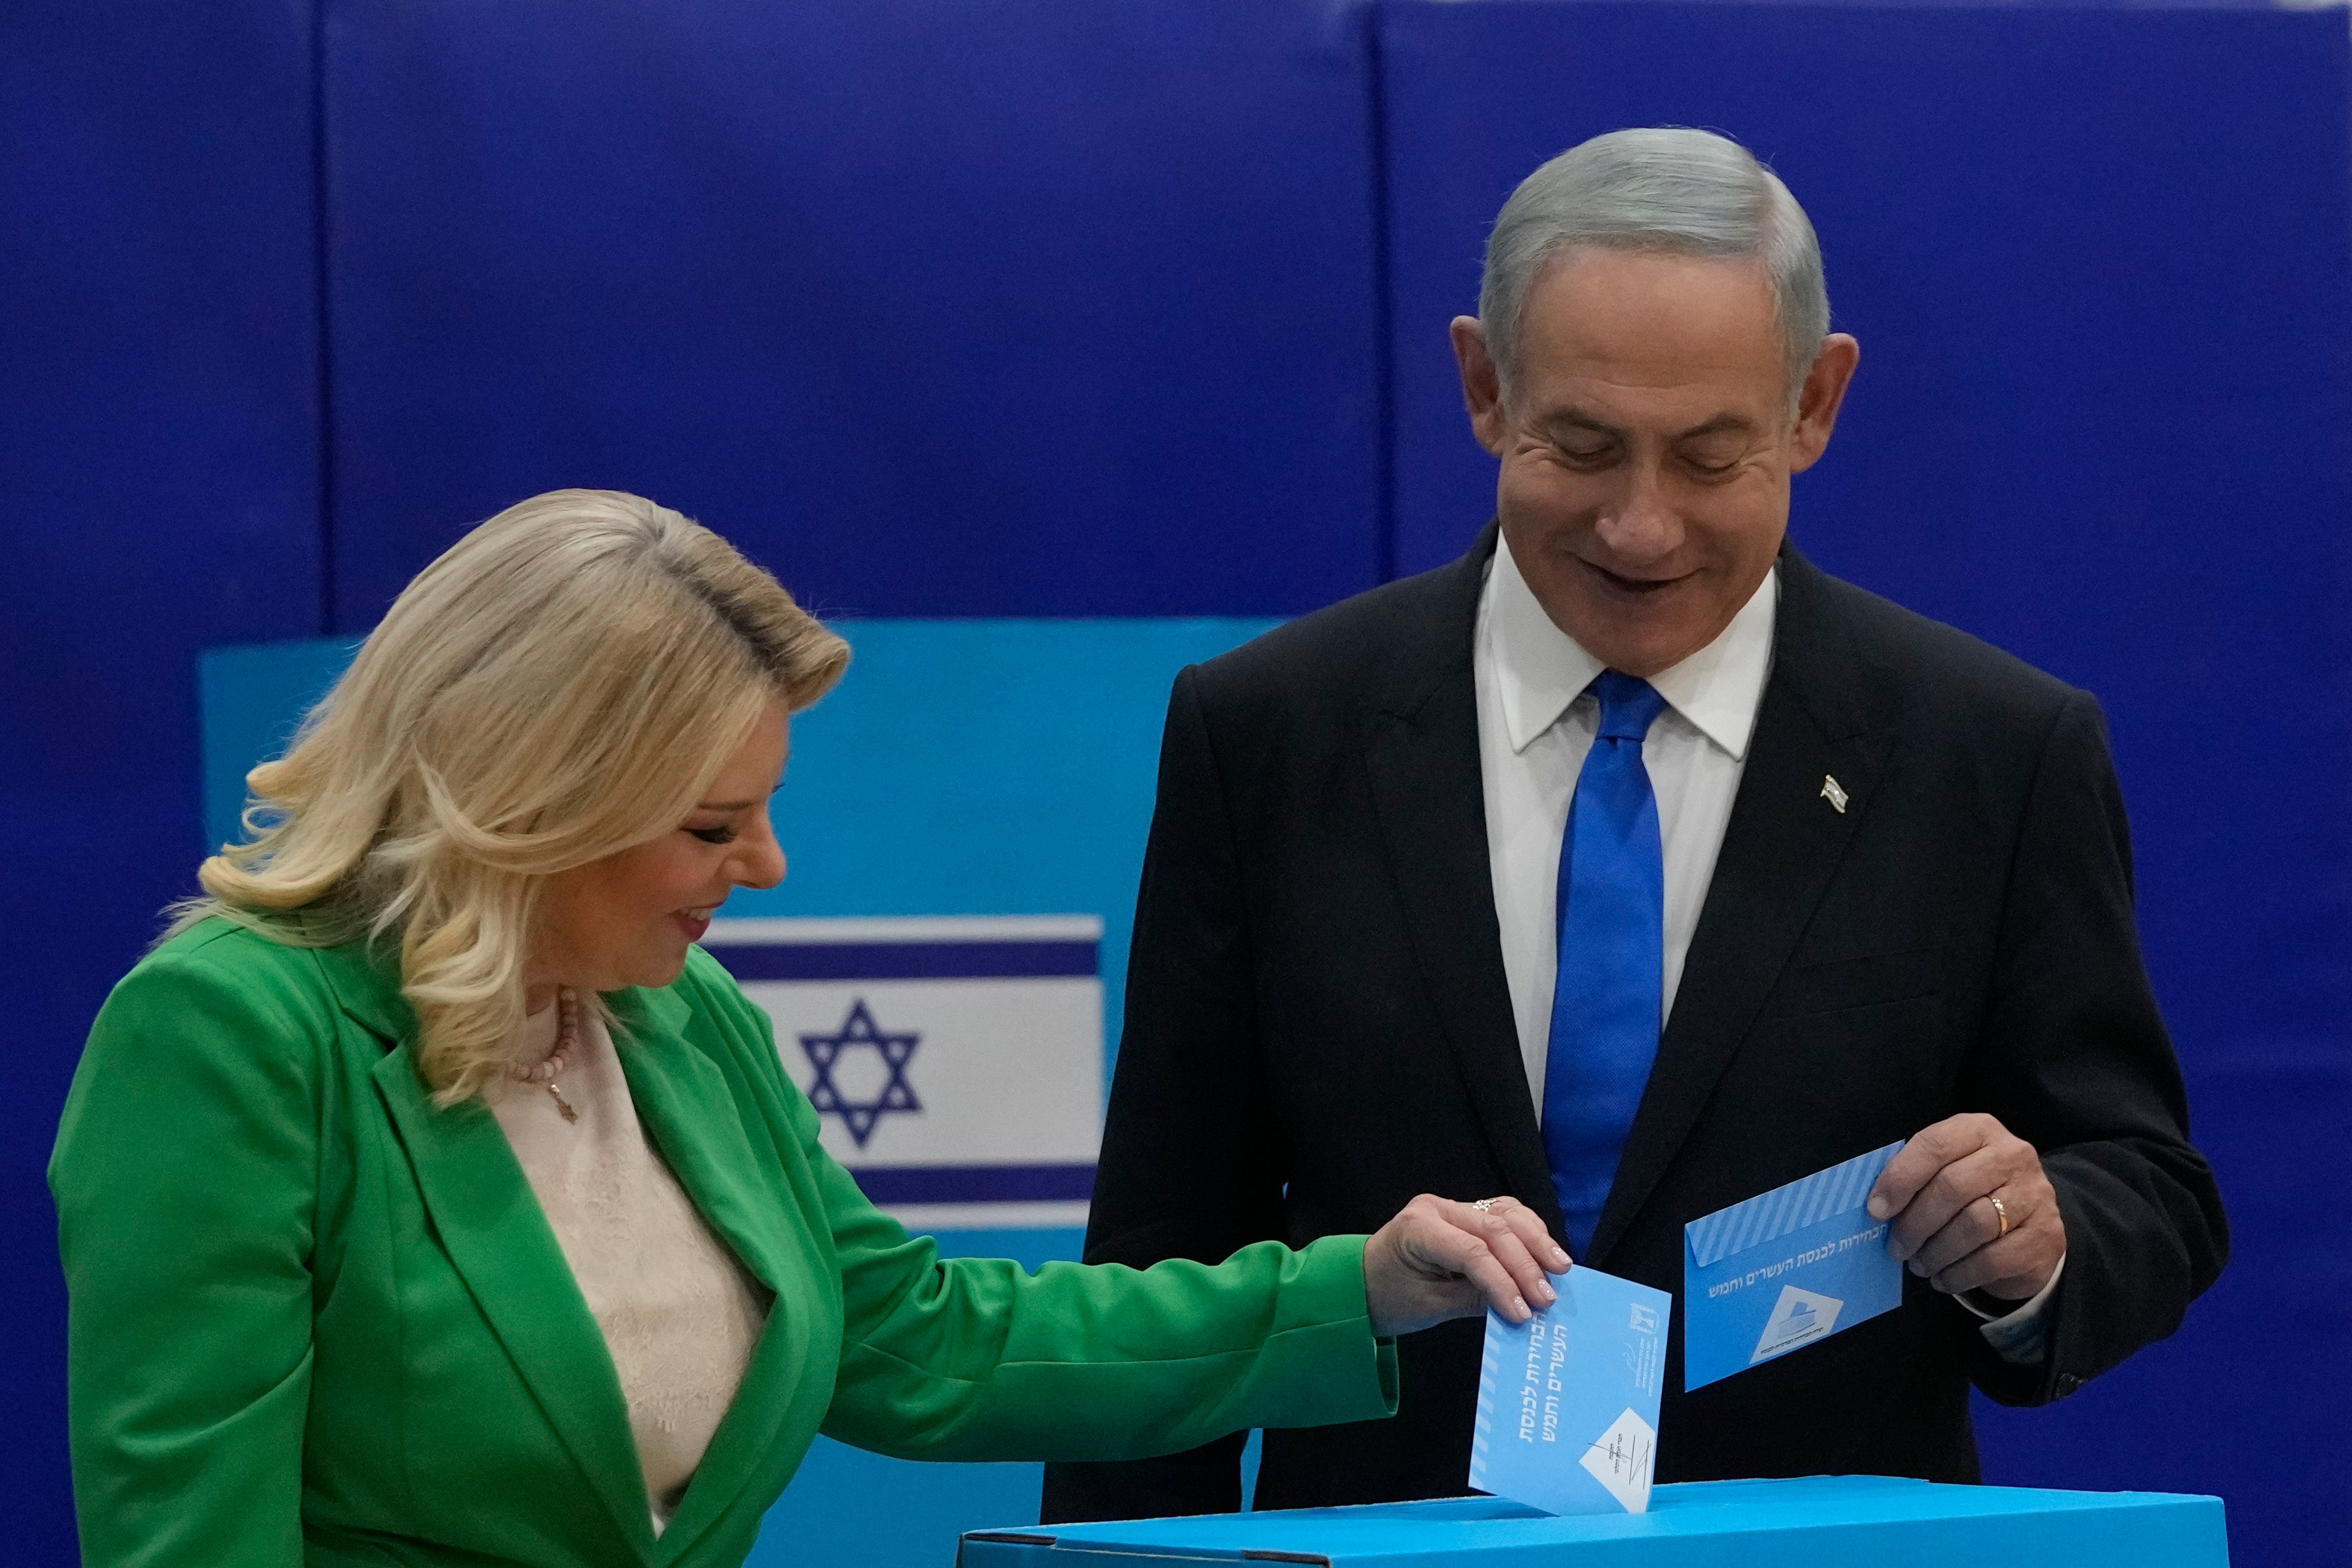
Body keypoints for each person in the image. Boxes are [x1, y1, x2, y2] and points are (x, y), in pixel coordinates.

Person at [1042, 128, 2227, 1523]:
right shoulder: (1274, 730)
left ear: (1815, 404)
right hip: (1382, 1547)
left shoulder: (1992, 750)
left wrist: (2035, 1240)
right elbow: (1167, 1250)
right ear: (1485, 386)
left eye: (1711, 456)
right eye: (1583, 445)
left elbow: (2145, 1182)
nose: (1642, 524)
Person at [49, 489, 1570, 1567]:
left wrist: (1361, 1283)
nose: (767, 867)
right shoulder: (230, 1035)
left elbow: (922, 1344)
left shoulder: (678, 1016)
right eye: (716, 822)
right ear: (534, 798)